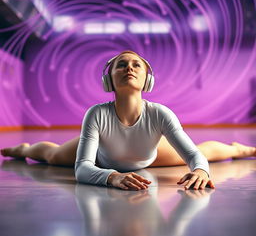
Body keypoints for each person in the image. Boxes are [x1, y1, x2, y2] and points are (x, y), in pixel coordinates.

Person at [1, 51, 255, 191]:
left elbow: (193, 155)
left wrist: (200, 169)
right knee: (54, 156)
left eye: (136, 65)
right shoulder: (96, 114)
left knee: (203, 153)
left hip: (151, 154)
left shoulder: (160, 114)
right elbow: (82, 169)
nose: (129, 68)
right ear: (109, 79)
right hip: (103, 157)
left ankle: (238, 148)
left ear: (147, 80)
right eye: (121, 65)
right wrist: (111, 177)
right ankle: (23, 149)